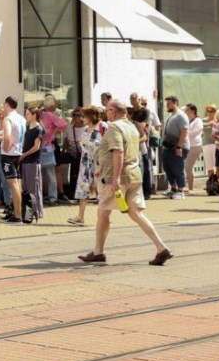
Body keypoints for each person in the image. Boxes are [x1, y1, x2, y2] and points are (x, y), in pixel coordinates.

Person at [78, 100, 173, 266]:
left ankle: (98, 252)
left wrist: (115, 177)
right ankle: (161, 247)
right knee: (135, 213)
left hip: (115, 178)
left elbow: (118, 151)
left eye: (107, 110)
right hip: (134, 174)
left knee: (103, 212)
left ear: (113, 112)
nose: (105, 114)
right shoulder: (131, 127)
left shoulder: (114, 127)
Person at [68, 107, 102, 226]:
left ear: (91, 117)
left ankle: (105, 218)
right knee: (83, 190)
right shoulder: (86, 130)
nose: (82, 119)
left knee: (101, 191)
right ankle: (80, 216)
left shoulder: (102, 128)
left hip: (98, 164)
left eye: (84, 116)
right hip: (85, 164)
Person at [0, 97, 28, 223]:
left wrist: (5, 148)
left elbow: (7, 136)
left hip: (9, 154)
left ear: (6, 104)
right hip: (18, 152)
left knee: (13, 184)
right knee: (16, 183)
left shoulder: (8, 118)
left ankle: (17, 215)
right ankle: (18, 213)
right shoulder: (21, 118)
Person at [39, 94, 70, 205]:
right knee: (51, 172)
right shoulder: (50, 115)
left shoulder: (40, 114)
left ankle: (42, 195)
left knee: (40, 173)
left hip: (37, 147)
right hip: (48, 147)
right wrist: (54, 131)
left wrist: (53, 130)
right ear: (52, 105)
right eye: (55, 104)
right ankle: (52, 197)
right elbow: (64, 124)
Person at [159, 96, 190, 200]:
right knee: (168, 168)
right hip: (168, 147)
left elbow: (185, 131)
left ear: (175, 103)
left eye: (169, 104)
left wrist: (179, 147)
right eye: (167, 104)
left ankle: (181, 191)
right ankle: (173, 189)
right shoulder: (171, 116)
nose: (167, 106)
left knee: (178, 168)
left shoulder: (181, 115)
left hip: (177, 147)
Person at [20, 107, 44, 223]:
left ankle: (35, 212)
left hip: (33, 161)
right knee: (25, 189)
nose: (26, 116)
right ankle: (27, 213)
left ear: (34, 115)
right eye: (26, 114)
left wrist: (24, 154)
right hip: (25, 161)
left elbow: (36, 147)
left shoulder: (38, 129)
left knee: (33, 189)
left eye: (28, 114)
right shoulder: (28, 127)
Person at [184, 104, 203, 194]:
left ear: (192, 110)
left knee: (188, 167)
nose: (185, 111)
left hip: (195, 146)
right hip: (187, 146)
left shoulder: (198, 121)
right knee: (186, 167)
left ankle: (191, 188)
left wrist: (184, 134)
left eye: (187, 110)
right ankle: (188, 187)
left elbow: (195, 132)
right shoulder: (187, 120)